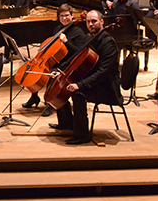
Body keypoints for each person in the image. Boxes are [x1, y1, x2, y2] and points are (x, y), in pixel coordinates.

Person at [49, 10, 122, 145]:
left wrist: (80, 85)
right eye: (88, 22)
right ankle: (67, 123)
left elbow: (103, 72)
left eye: (94, 21)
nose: (90, 24)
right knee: (63, 86)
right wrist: (61, 71)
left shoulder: (108, 43)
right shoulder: (90, 38)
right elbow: (76, 58)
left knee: (78, 93)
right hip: (95, 82)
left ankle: (82, 135)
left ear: (102, 22)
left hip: (107, 87)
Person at [22, 3, 86, 111]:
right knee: (36, 71)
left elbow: (78, 53)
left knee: (52, 72)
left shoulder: (78, 32)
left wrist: (67, 42)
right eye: (61, 16)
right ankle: (34, 97)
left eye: (66, 15)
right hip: (57, 59)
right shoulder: (58, 29)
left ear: (72, 16)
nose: (64, 18)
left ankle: (50, 104)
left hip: (69, 62)